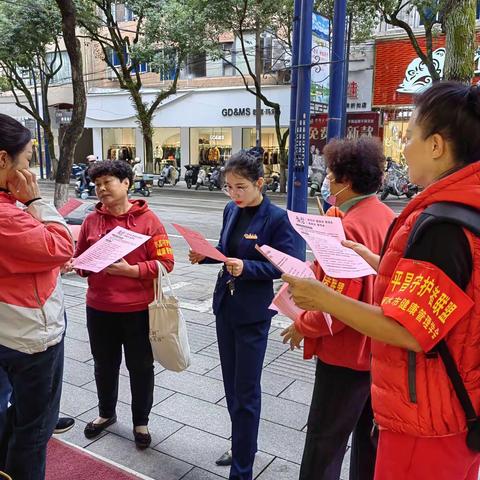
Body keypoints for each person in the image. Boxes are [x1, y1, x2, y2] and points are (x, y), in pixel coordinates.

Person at [284, 81, 480, 479]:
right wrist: (377, 261)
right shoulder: (463, 208)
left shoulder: (442, 224)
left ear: (437, 146)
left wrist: (321, 297)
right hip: (454, 406)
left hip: (425, 416)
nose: (402, 148)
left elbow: (408, 331)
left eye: (410, 137)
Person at [281, 137, 395, 480]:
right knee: (368, 442)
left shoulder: (346, 226)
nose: (326, 182)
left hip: (345, 355)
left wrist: (302, 324)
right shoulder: (387, 216)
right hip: (378, 349)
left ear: (346, 181)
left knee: (324, 443)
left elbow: (333, 302)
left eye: (330, 176)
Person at [189, 151, 299, 480]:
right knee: (232, 387)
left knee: (247, 391)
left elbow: (286, 266)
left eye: (240, 187)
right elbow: (227, 252)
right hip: (226, 306)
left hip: (253, 313)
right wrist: (206, 257)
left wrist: (246, 267)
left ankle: (243, 469)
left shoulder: (276, 219)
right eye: (228, 188)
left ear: (260, 183)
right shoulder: (230, 209)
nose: (234, 194)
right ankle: (241, 445)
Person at [73, 160, 174, 449]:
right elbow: (81, 262)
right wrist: (80, 265)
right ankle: (106, 413)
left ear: (127, 183)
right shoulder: (92, 220)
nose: (102, 189)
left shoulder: (148, 220)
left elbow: (166, 263)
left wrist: (134, 271)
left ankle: (140, 422)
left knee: (140, 367)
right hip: (99, 308)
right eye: (97, 184)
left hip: (138, 311)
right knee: (104, 365)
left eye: (108, 182)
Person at [0, 114, 74, 479]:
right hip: (29, 336)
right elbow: (62, 245)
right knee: (33, 429)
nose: (30, 169)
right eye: (28, 159)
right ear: (3, 160)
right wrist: (36, 200)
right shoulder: (7, 215)